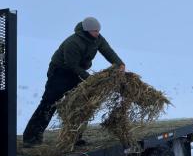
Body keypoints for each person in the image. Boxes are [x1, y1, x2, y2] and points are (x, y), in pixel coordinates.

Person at [23, 17, 125, 147]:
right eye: (95, 31)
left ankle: (74, 137)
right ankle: (31, 138)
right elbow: (72, 65)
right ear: (87, 30)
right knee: (50, 103)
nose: (97, 33)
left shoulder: (98, 39)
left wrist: (119, 63)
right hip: (61, 72)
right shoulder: (74, 42)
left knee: (82, 103)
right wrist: (90, 79)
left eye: (99, 30)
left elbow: (107, 51)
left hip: (79, 71)